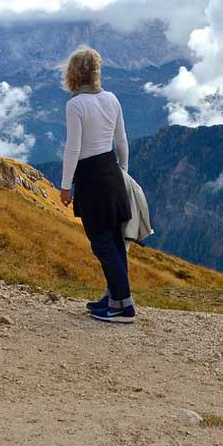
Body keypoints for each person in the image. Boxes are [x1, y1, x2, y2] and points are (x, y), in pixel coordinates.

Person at [59, 47, 135, 323]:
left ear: (73, 74)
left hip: (90, 177)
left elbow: (73, 148)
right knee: (114, 240)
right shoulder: (112, 99)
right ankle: (114, 298)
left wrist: (65, 186)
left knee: (102, 242)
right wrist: (123, 171)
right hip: (112, 171)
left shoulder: (76, 105)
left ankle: (123, 306)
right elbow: (121, 140)